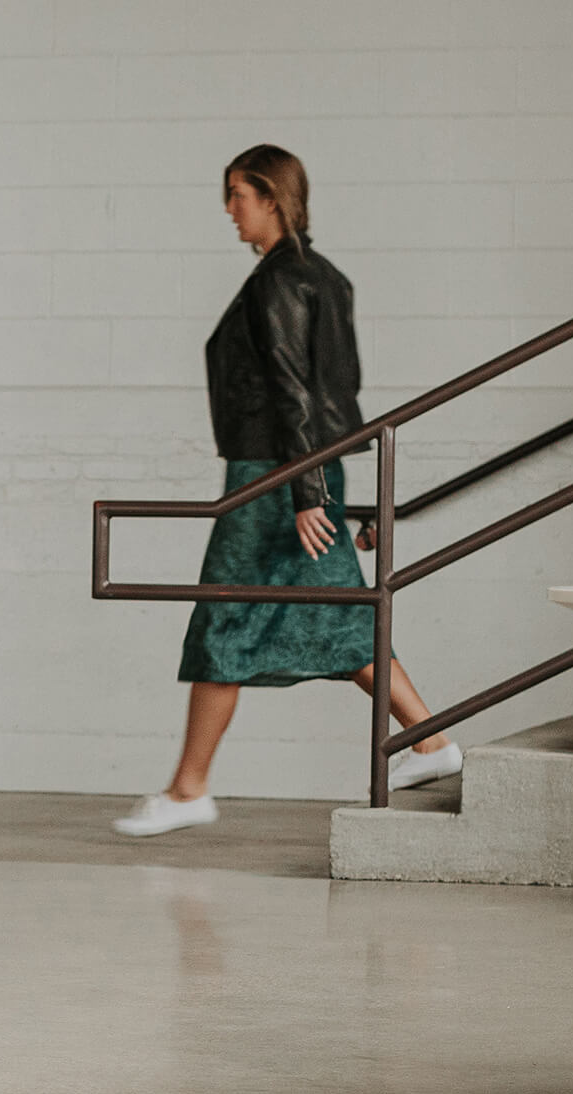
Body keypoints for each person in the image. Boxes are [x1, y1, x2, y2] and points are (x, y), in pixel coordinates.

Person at [115, 144, 460, 838]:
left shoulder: (278, 282)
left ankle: (189, 789)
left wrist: (304, 493)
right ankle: (431, 741)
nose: (230, 210)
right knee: (335, 615)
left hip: (272, 474)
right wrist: (331, 485)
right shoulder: (326, 277)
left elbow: (293, 391)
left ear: (273, 197)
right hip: (308, 468)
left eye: (238, 195)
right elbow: (342, 392)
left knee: (224, 615)